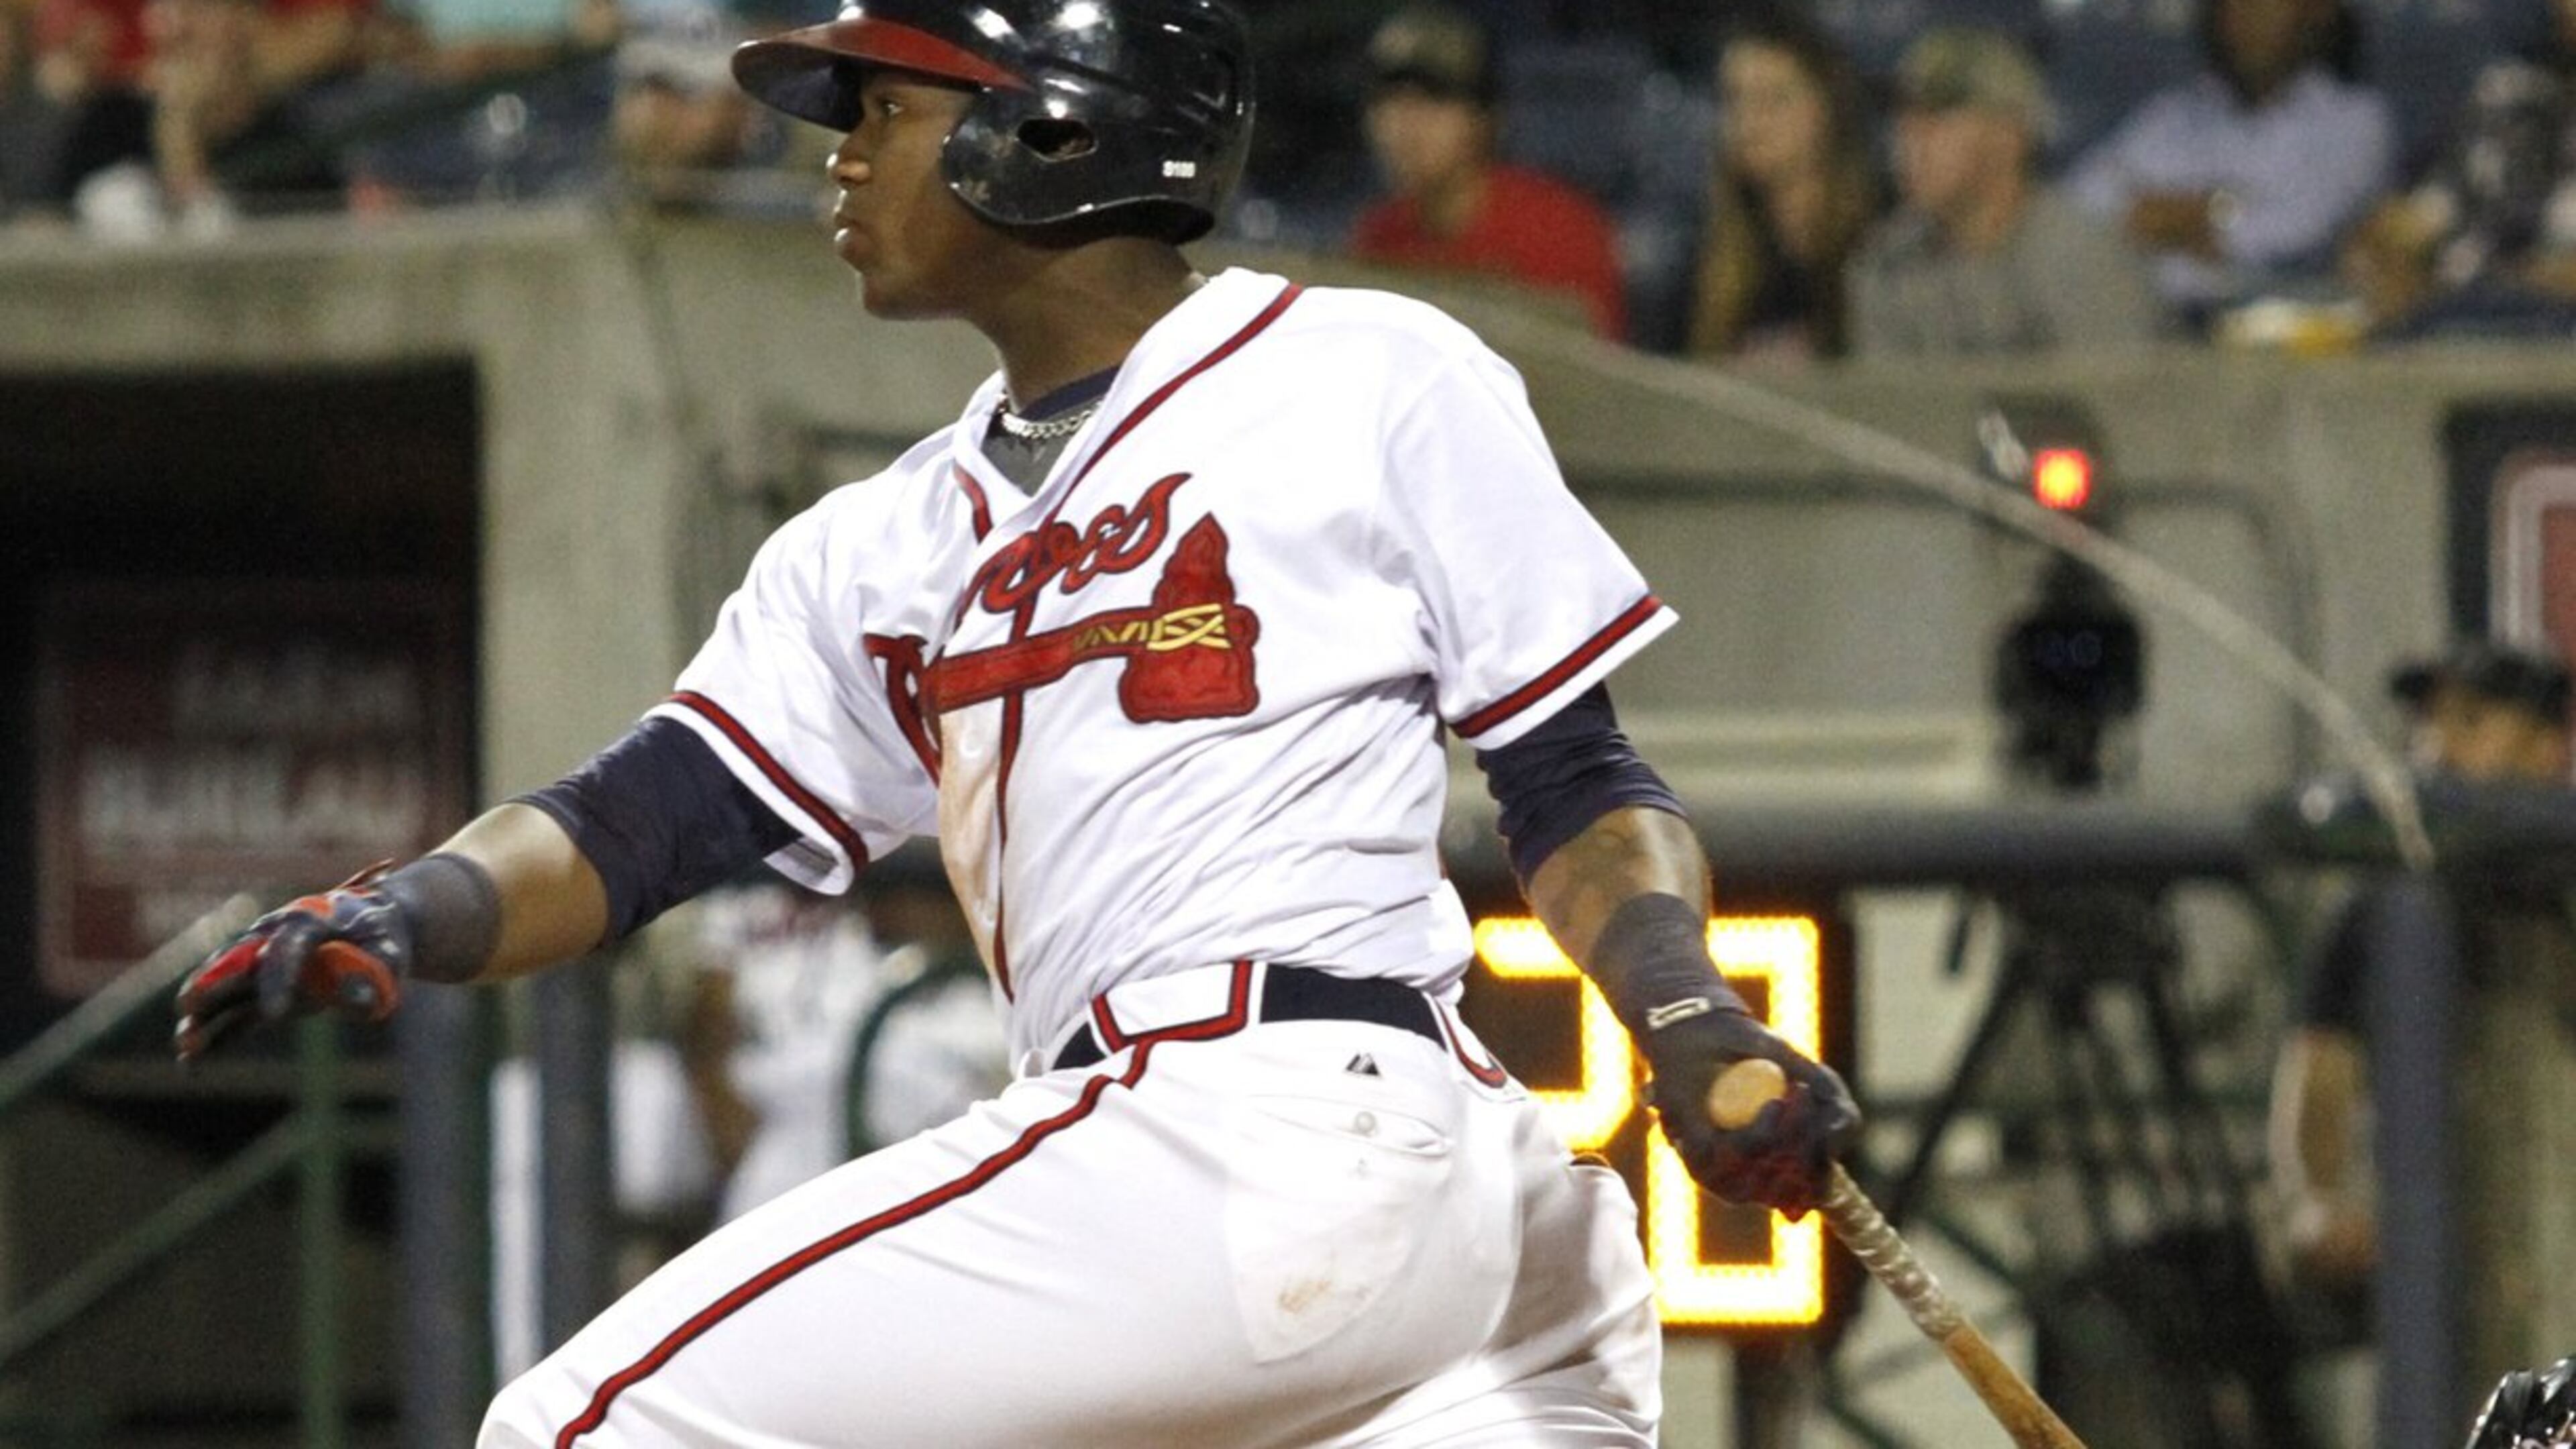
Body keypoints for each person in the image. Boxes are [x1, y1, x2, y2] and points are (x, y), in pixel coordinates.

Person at [169, 1, 1861, 1444]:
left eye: (885, 110)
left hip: (1270, 1128)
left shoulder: (1359, 374)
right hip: (1419, 1231)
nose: (835, 155)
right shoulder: (878, 540)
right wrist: (409, 907)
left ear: (1051, 130)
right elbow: (636, 821)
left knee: (569, 1427)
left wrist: (1687, 1012)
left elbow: (1569, 775)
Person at [2270, 642, 2576, 1413]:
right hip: (2437, 1279)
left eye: (2472, 722)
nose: (2437, 748)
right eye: (2427, 725)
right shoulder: (2378, 911)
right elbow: (2319, 1075)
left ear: (2548, 749)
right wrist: (2316, 1206)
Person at [2064, 0, 2394, 324]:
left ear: (2312, 12)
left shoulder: (2353, 120)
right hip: (2154, 316)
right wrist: (2209, 215)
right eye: (2232, 5)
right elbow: (2083, 202)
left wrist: (2188, 215)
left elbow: (2292, 234)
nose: (2247, 21)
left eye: (2265, 7)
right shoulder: (2178, 114)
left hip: (2281, 327)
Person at [1847, 27, 2163, 357]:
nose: (1908, 141)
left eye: (1936, 119)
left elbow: (2121, 402)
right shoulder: (1888, 262)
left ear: (2009, 134)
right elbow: (1886, 402)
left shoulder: (2083, 258)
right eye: (1902, 120)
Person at [1346, 2, 1628, 340]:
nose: (1404, 124)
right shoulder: (1379, 236)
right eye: (1387, 100)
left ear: (1486, 119)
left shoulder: (1560, 230)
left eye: (1434, 100)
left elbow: (1591, 379)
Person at [2340, 0, 2576, 340]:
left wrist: (2520, 279)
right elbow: (2437, 208)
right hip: (2464, 324)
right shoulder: (2513, 94)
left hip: (2555, 337)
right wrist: (2391, 238)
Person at [1683, 4, 1878, 366]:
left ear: (1826, 108)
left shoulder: (1881, 239)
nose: (1748, 123)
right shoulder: (1709, 254)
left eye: (1773, 100)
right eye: (1735, 99)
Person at [53, 0, 343, 237]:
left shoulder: (293, 146)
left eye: (200, 8)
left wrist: (180, 134)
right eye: (165, 8)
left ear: (246, 21)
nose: (176, 28)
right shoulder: (108, 123)